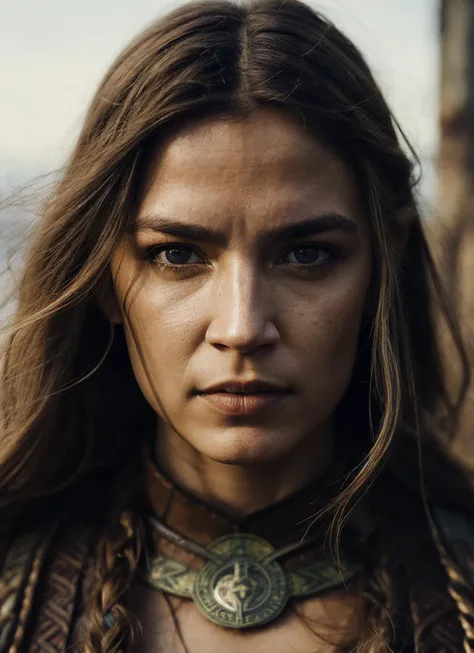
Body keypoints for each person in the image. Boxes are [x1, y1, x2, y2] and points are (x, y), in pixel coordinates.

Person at [0, 0, 473, 651]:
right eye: (178, 254)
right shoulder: (16, 594)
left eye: (307, 253)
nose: (243, 327)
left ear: (379, 270)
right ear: (106, 278)